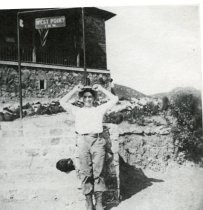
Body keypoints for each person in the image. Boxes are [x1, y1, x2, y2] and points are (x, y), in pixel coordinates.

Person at [60, 83, 118, 210]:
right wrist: (74, 89)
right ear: (81, 98)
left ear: (94, 98)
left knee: (99, 171)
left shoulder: (99, 109)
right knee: (85, 172)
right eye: (85, 97)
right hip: (83, 141)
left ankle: (99, 203)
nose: (88, 99)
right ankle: (88, 202)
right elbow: (62, 101)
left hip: (97, 140)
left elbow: (115, 99)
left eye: (90, 97)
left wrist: (102, 89)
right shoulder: (77, 110)